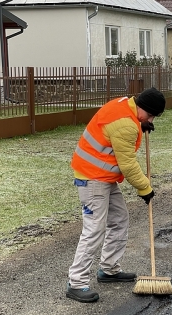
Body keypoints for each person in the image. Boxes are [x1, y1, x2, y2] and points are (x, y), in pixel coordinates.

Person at [66, 87, 166, 303]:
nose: (151, 119)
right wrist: (145, 188)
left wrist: (142, 123)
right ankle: (76, 282)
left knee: (119, 219)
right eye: (150, 115)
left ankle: (109, 269)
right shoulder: (126, 125)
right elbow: (128, 165)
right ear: (144, 109)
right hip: (92, 178)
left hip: (104, 177)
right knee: (94, 229)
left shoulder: (125, 106)